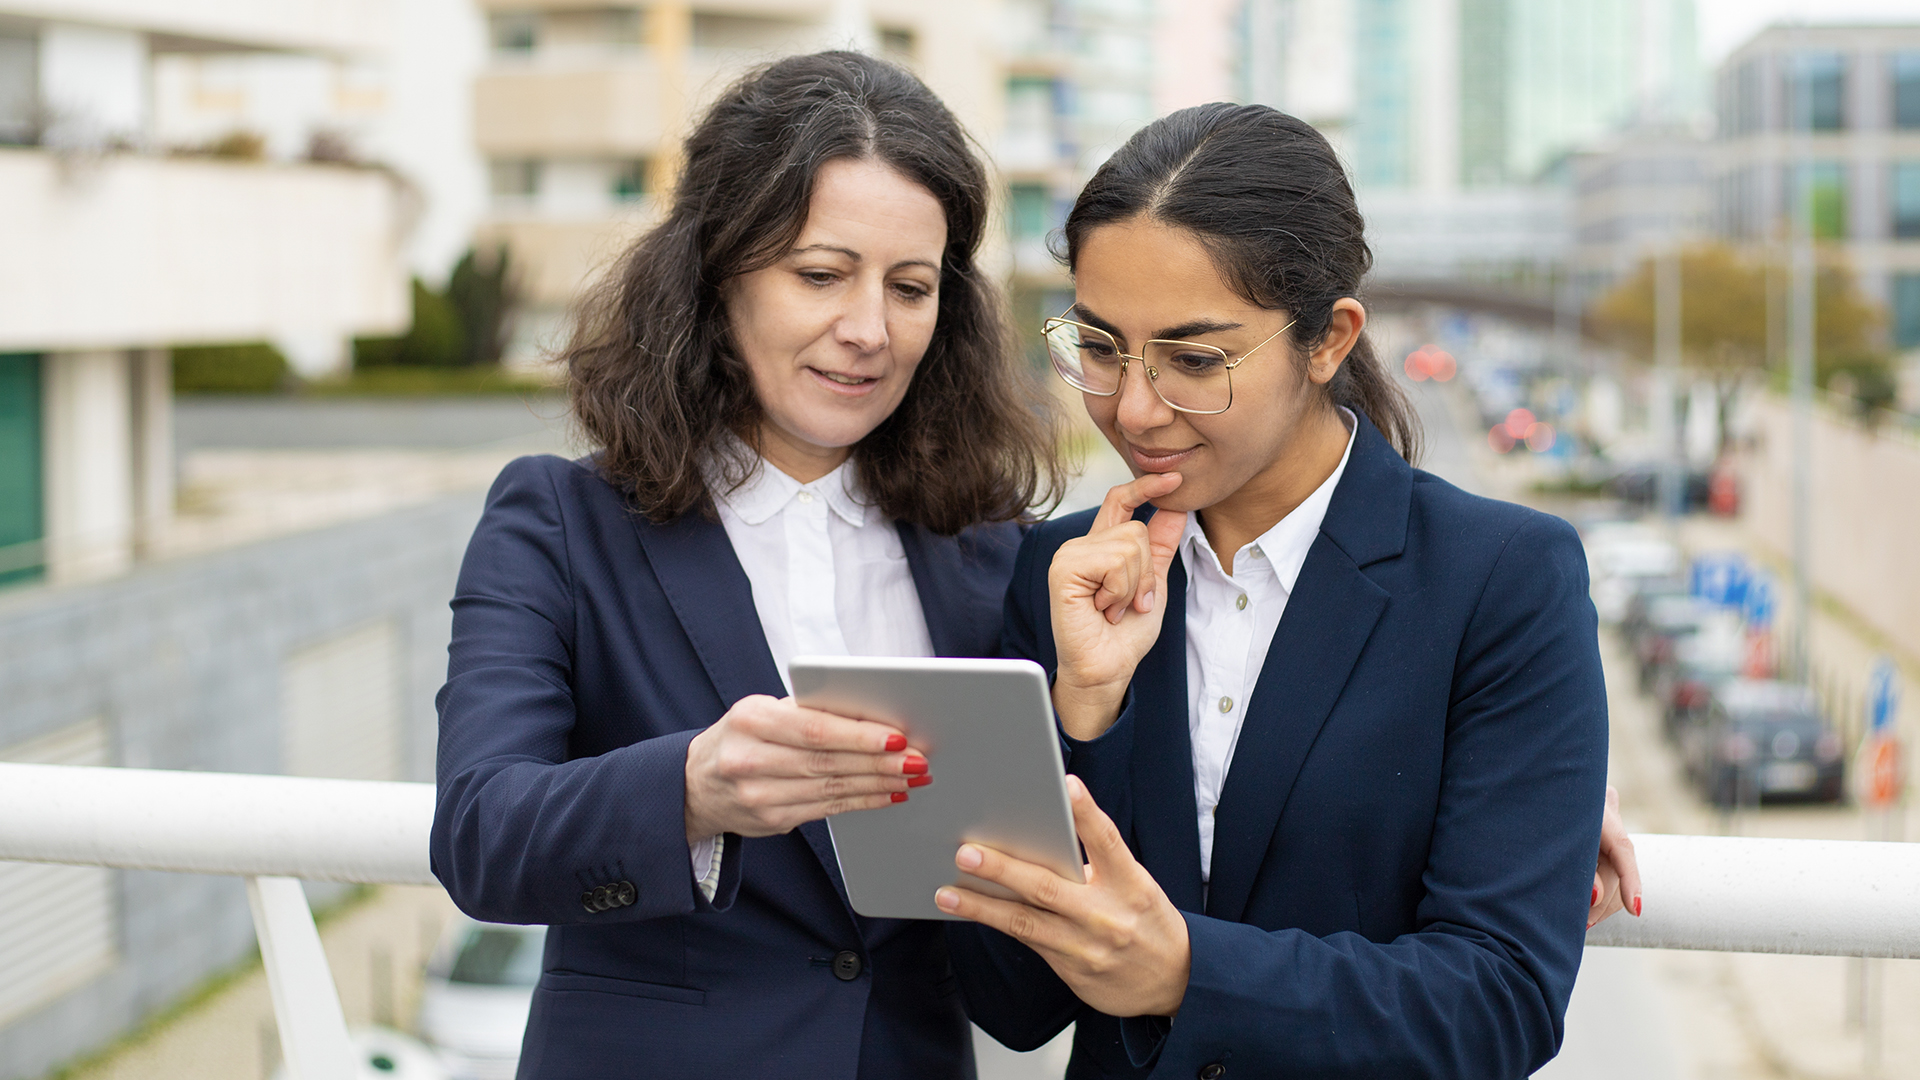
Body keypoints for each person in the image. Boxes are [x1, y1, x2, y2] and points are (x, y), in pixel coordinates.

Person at [939, 103, 1617, 1078]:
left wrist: (1186, 973)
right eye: (1098, 344)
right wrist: (1083, 715)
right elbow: (1010, 1002)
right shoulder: (1061, 578)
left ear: (1329, 339)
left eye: (1194, 360)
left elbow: (1500, 1002)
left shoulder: (1501, 581)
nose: (1132, 407)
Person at [430, 51, 1066, 1077]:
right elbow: (480, 833)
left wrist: (1089, 705)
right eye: (819, 275)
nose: (868, 331)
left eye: (911, 288)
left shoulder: (986, 545)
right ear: (719, 274)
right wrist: (689, 791)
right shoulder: (558, 523)